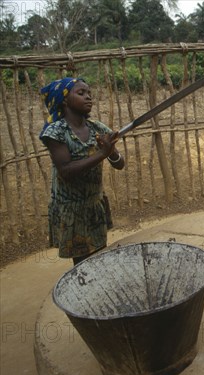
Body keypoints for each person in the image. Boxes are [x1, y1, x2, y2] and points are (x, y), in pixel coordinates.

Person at [39, 77, 125, 265]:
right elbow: (66, 171)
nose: (88, 98)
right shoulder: (56, 132)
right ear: (64, 100)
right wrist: (103, 152)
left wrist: (111, 152)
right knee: (83, 264)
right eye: (81, 93)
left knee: (99, 256)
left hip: (94, 204)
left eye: (89, 94)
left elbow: (120, 164)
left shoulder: (97, 128)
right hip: (71, 209)